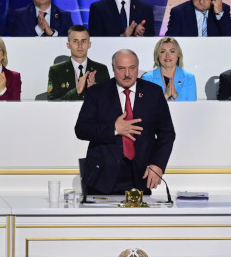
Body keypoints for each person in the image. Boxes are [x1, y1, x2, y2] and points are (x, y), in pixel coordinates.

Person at [75, 49, 175, 195]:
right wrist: (114, 129)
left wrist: (158, 165)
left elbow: (167, 134)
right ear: (113, 68)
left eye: (132, 68)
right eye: (121, 68)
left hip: (141, 176)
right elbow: (81, 129)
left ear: (138, 68)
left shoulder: (153, 93)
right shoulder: (97, 93)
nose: (127, 74)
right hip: (103, 177)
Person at [47, 25, 109, 101]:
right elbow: (52, 102)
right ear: (68, 45)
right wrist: (76, 91)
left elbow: (109, 101)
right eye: (75, 41)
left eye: (83, 41)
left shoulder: (101, 70)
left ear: (89, 44)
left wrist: (95, 91)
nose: (80, 45)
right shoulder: (56, 71)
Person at [9, 0, 73, 37]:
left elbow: (70, 42)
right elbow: (18, 41)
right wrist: (39, 29)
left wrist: (52, 33)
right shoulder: (21, 16)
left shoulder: (64, 16)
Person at [140, 37, 197, 101]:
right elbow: (145, 105)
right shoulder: (147, 78)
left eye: (172, 51)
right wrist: (166, 95)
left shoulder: (189, 77)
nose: (167, 55)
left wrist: (175, 95)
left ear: (178, 55)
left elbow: (192, 105)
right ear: (158, 55)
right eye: (163, 52)